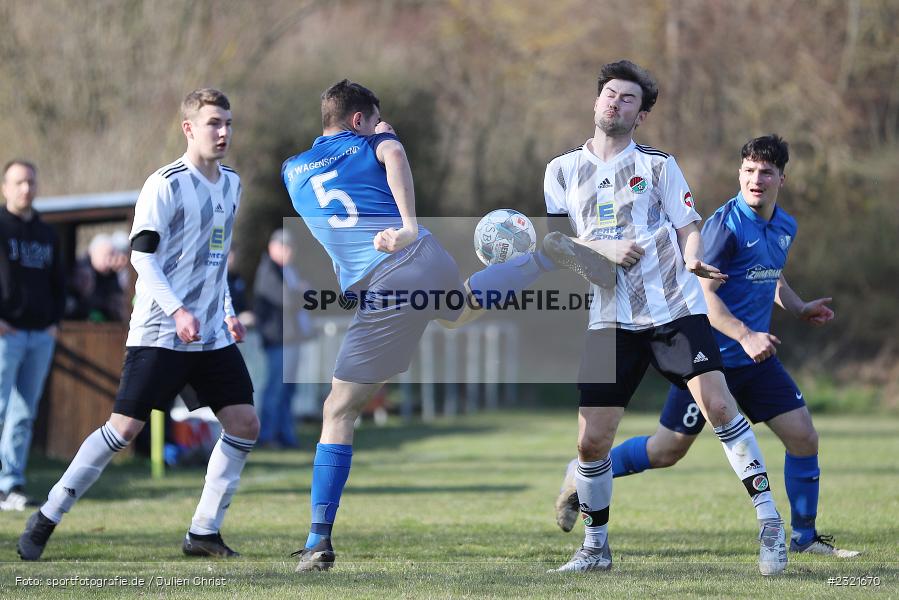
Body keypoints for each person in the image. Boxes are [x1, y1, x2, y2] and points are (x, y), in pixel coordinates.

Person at [281, 79, 599, 572]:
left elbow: (351, 188)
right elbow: (394, 154)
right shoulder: (374, 143)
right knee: (455, 310)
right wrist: (398, 184)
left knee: (337, 411)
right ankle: (540, 257)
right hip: (424, 255)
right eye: (376, 119)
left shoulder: (291, 170)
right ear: (359, 119)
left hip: (385, 277)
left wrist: (391, 196)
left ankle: (318, 541)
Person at [554, 135, 859, 558]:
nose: (756, 179)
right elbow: (703, 294)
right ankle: (580, 474)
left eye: (766, 172)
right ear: (739, 173)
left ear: (782, 179)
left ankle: (805, 538)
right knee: (666, 451)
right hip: (709, 360)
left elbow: (770, 275)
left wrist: (799, 306)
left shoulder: (785, 226)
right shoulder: (723, 227)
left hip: (755, 362)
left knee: (805, 437)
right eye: (749, 171)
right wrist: (745, 335)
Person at [542, 60, 787, 575]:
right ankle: (595, 547)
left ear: (641, 116)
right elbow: (560, 246)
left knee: (718, 405)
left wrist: (694, 256)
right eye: (609, 93)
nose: (615, 102)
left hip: (672, 309)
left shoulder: (658, 166)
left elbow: (688, 224)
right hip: (609, 319)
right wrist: (602, 249)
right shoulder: (560, 170)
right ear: (595, 101)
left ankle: (770, 524)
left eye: (628, 98)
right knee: (591, 440)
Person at [18, 88, 259, 560]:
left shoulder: (232, 183)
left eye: (228, 122)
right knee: (123, 430)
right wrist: (177, 310)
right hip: (159, 332)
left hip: (209, 336)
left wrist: (226, 311)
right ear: (189, 128)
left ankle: (204, 532)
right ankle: (47, 515)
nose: (224, 131)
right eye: (214, 123)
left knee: (244, 423)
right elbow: (142, 258)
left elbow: (215, 261)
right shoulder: (164, 184)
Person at [0, 160, 65, 511]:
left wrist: (54, 323)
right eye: (19, 182)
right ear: (5, 187)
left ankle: (10, 485)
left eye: (31, 182)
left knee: (23, 414)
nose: (26, 188)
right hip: (4, 333)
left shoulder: (47, 234)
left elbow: (59, 282)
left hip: (40, 334)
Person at [254, 228, 313, 448]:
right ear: (272, 247)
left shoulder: (288, 271)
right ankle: (267, 437)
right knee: (275, 390)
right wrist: (300, 292)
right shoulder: (268, 270)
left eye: (291, 247)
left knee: (288, 392)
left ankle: (285, 435)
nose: (289, 251)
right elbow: (287, 300)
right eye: (284, 246)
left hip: (290, 339)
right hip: (278, 340)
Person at [66, 232, 127, 322]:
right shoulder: (83, 269)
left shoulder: (112, 277)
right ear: (92, 252)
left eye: (112, 255)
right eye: (106, 255)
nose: (109, 261)